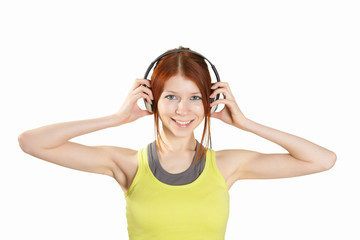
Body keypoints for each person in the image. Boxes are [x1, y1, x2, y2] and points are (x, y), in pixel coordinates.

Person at [18, 47, 336, 240]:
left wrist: (245, 122)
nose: (183, 110)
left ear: (210, 102)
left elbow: (322, 160)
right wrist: (115, 118)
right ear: (152, 99)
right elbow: (32, 142)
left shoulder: (227, 165)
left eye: (195, 98)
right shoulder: (127, 164)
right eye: (171, 96)